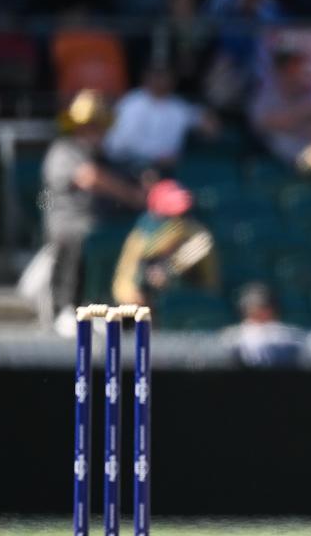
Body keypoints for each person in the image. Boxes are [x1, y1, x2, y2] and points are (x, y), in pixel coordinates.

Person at [41, 90, 146, 336]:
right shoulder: (63, 150)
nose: (95, 131)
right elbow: (90, 177)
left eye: (98, 126)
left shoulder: (104, 156)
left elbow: (124, 176)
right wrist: (131, 194)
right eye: (89, 125)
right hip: (68, 220)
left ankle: (105, 309)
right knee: (79, 236)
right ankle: (65, 310)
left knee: (134, 238)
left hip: (101, 220)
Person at [111, 179, 218, 307]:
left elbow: (211, 286)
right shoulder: (140, 239)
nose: (179, 222)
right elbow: (125, 288)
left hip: (189, 305)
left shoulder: (196, 235)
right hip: (144, 308)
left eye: (183, 215)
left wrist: (170, 269)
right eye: (172, 216)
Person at [102, 64, 218, 173]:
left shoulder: (178, 106)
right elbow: (118, 146)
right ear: (147, 78)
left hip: (166, 169)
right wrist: (155, 157)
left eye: (165, 75)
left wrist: (208, 121)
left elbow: (203, 121)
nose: (161, 80)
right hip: (129, 167)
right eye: (157, 75)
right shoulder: (132, 103)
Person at [249, 44, 311, 173]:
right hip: (280, 159)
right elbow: (263, 123)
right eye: (290, 65)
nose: (296, 70)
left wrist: (295, 121)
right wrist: (309, 112)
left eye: (298, 64)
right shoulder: (266, 94)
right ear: (281, 69)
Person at [220, 282, 305, 368]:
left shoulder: (288, 334)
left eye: (264, 306)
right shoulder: (233, 335)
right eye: (252, 305)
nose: (257, 310)